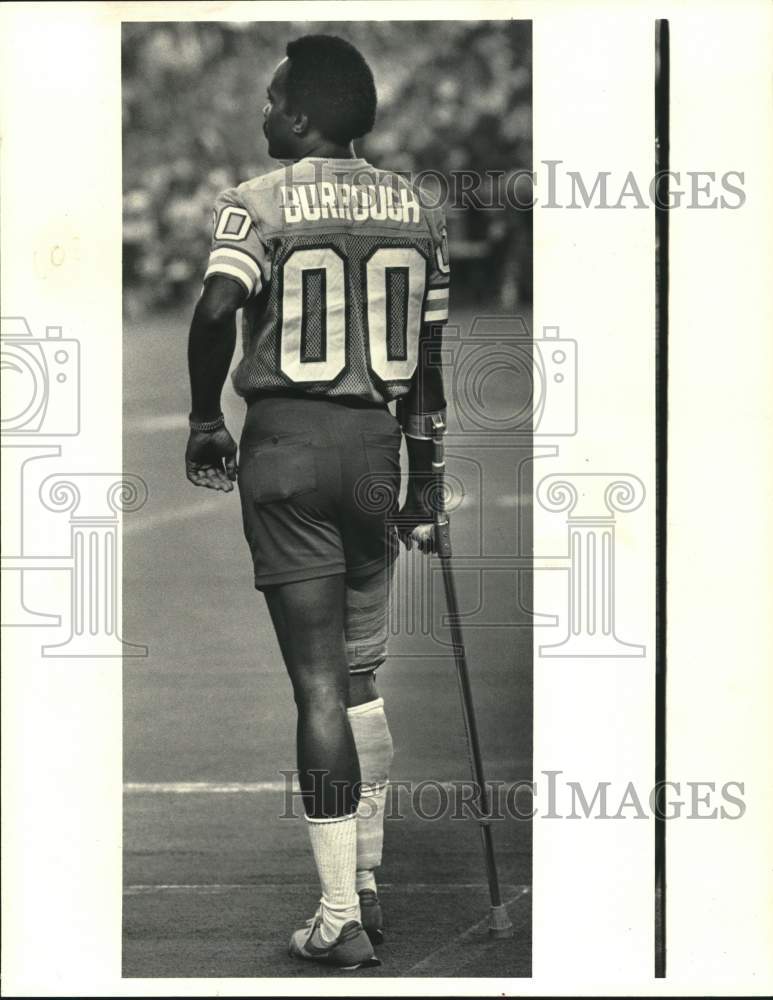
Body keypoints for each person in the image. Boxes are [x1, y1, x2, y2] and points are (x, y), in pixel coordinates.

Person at [185, 34, 449, 970]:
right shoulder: (416, 208)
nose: (262, 113)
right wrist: (429, 481)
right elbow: (427, 364)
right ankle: (366, 881)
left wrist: (201, 420)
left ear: (300, 117)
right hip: (378, 447)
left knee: (319, 689)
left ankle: (337, 915)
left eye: (270, 101)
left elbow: (218, 309)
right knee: (363, 676)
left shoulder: (256, 202)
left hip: (290, 446)